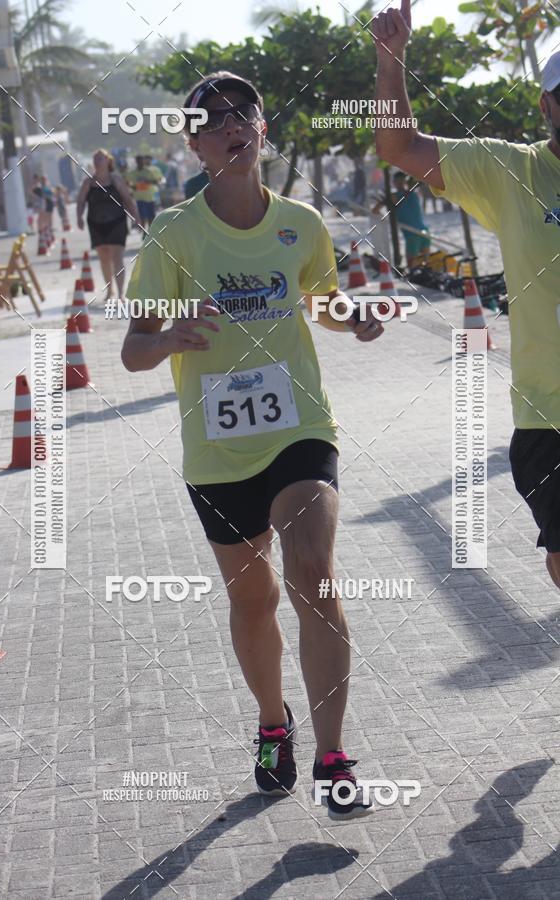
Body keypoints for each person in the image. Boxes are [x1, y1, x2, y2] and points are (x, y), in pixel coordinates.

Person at [121, 71, 384, 820]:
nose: (233, 125)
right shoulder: (173, 234)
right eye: (215, 120)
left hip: (299, 429)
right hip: (216, 450)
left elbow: (323, 300)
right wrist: (169, 335)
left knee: (312, 575)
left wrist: (353, 317)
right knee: (254, 599)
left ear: (263, 128)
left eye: (245, 113)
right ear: (196, 144)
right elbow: (134, 350)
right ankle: (274, 722)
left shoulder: (301, 222)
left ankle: (334, 757)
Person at [373, 1, 560, 589]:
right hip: (548, 416)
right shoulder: (512, 171)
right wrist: (390, 60)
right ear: (546, 105)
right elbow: (399, 147)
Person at [76, 149, 140, 301]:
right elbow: (80, 201)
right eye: (95, 158)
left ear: (108, 161)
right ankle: (109, 290)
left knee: (117, 257)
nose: (98, 161)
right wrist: (79, 217)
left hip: (117, 222)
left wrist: (135, 217)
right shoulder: (88, 182)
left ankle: (120, 293)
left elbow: (127, 199)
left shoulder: (115, 179)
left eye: (101, 158)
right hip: (96, 223)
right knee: (104, 258)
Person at [373, 171, 431, 267]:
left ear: (394, 183)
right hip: (424, 231)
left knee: (412, 266)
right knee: (425, 264)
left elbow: (375, 210)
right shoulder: (414, 194)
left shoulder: (394, 196)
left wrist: (384, 217)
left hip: (412, 235)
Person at [127, 155, 164, 235]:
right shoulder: (133, 173)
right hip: (139, 198)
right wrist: (132, 187)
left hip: (150, 197)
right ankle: (144, 232)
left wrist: (148, 181)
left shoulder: (149, 172)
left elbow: (157, 181)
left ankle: (150, 231)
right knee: (142, 216)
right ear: (136, 162)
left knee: (151, 216)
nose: (140, 163)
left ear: (143, 162)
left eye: (141, 161)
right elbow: (127, 182)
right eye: (138, 161)